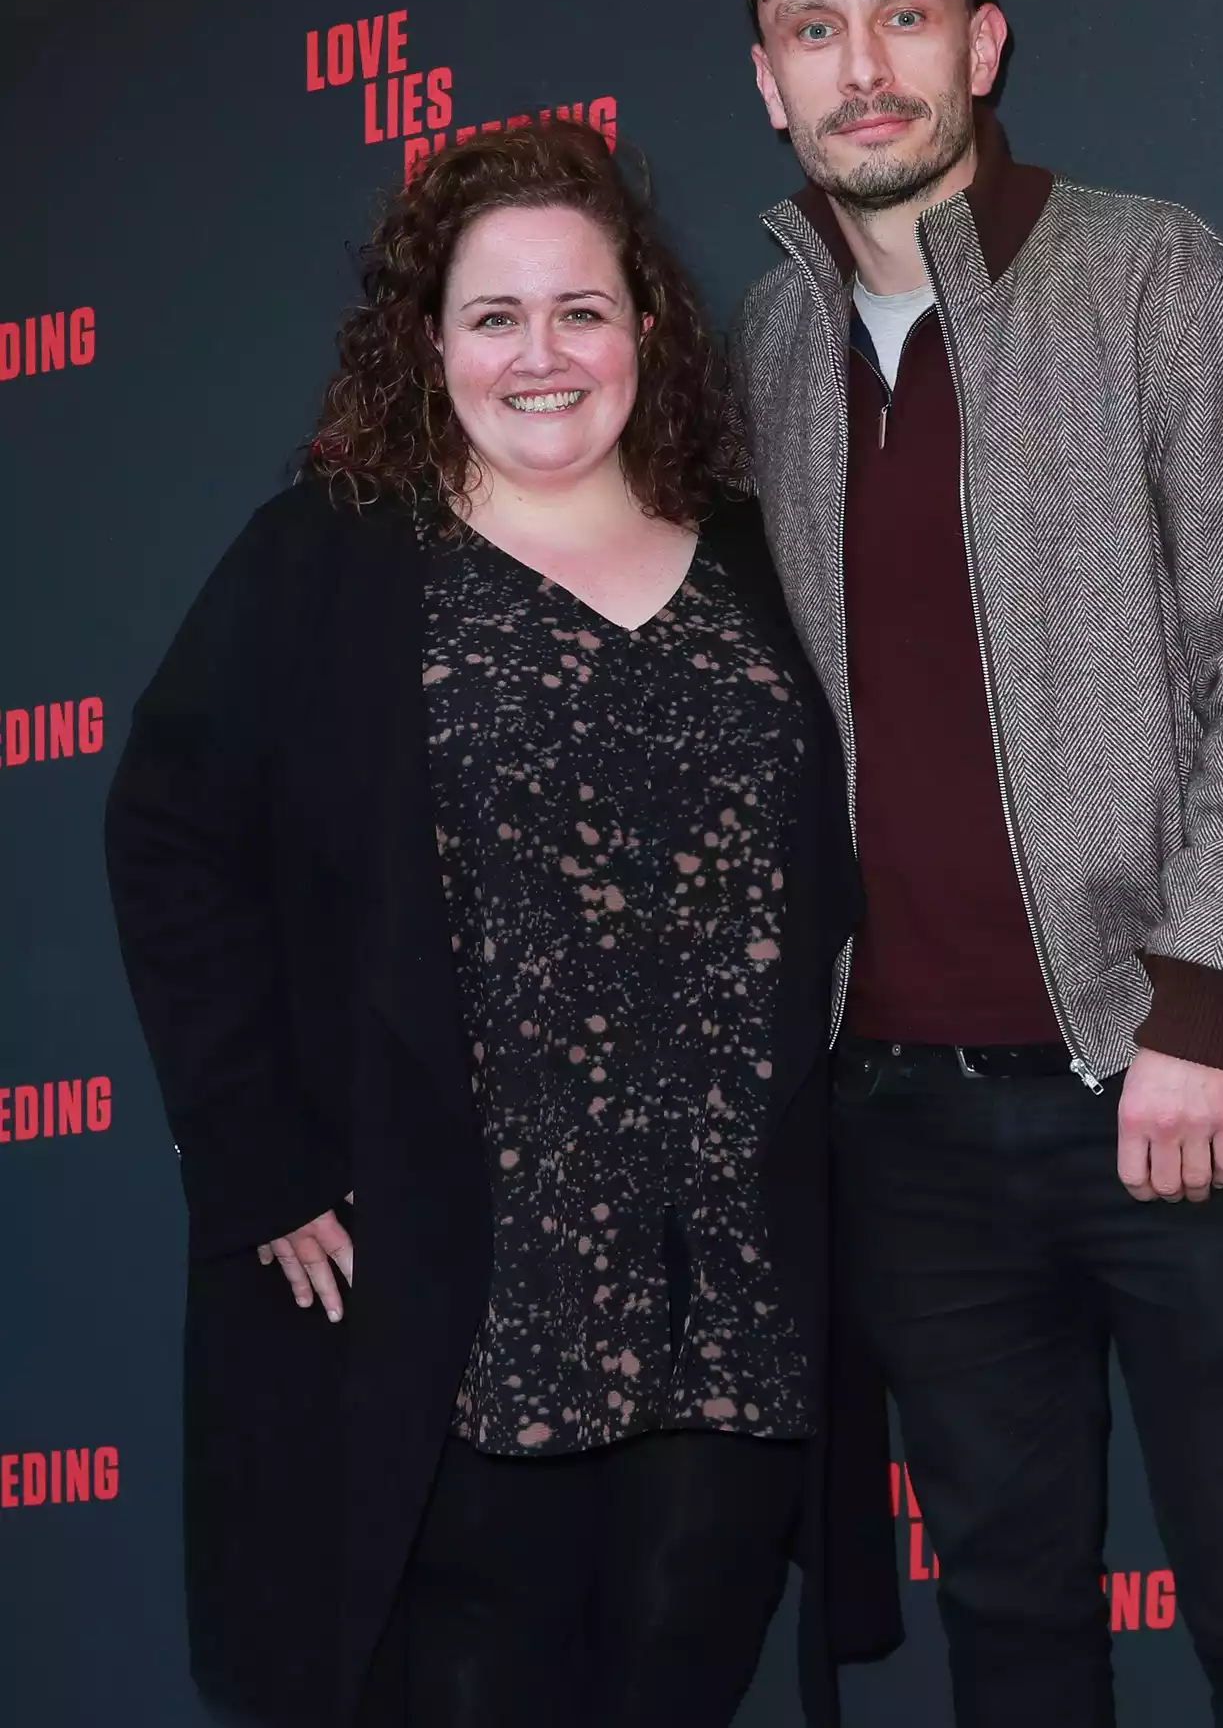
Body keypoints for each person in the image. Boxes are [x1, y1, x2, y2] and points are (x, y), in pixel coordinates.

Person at [104, 121, 898, 1728]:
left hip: (725, 1281)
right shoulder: (333, 556)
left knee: (679, 1681)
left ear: (648, 331)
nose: (543, 355)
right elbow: (169, 835)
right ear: (428, 343)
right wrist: (253, 1153)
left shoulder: (757, 554)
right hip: (464, 1280)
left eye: (582, 310)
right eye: (493, 316)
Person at [730, 0, 1223, 1728]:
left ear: (982, 42)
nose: (866, 68)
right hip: (907, 1126)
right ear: (766, 79)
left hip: (1171, 1075)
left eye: (905, 17)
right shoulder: (761, 351)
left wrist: (1203, 1004)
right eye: (816, 31)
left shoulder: (1155, 276)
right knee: (1007, 1625)